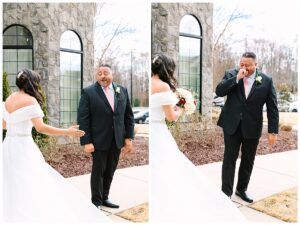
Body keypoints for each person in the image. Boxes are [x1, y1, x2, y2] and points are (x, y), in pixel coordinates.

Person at [2, 69, 110, 222]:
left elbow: (4, 125)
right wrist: (66, 132)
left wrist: (17, 124)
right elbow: (41, 128)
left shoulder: (9, 99)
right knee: (32, 184)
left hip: (8, 146)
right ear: (32, 83)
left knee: (10, 182)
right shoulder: (30, 101)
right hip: (24, 147)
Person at [150, 53, 246, 222]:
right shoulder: (163, 86)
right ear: (167, 68)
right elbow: (171, 116)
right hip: (158, 131)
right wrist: (182, 106)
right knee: (170, 170)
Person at [216, 52, 279, 203]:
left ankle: (241, 189)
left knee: (248, 160)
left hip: (252, 126)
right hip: (232, 125)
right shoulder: (231, 74)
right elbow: (219, 91)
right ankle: (226, 193)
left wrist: (272, 131)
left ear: (256, 65)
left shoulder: (266, 80)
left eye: (248, 65)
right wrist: (236, 78)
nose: (244, 67)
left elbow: (272, 107)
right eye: (242, 64)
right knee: (229, 159)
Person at [78, 64, 134, 209]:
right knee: (98, 172)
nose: (102, 76)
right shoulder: (88, 92)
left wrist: (128, 138)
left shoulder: (122, 90)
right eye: (99, 73)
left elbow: (128, 116)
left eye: (105, 73)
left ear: (112, 74)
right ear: (97, 76)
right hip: (98, 141)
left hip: (117, 140)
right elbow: (83, 118)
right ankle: (96, 202)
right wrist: (87, 141)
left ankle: (104, 198)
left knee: (110, 171)